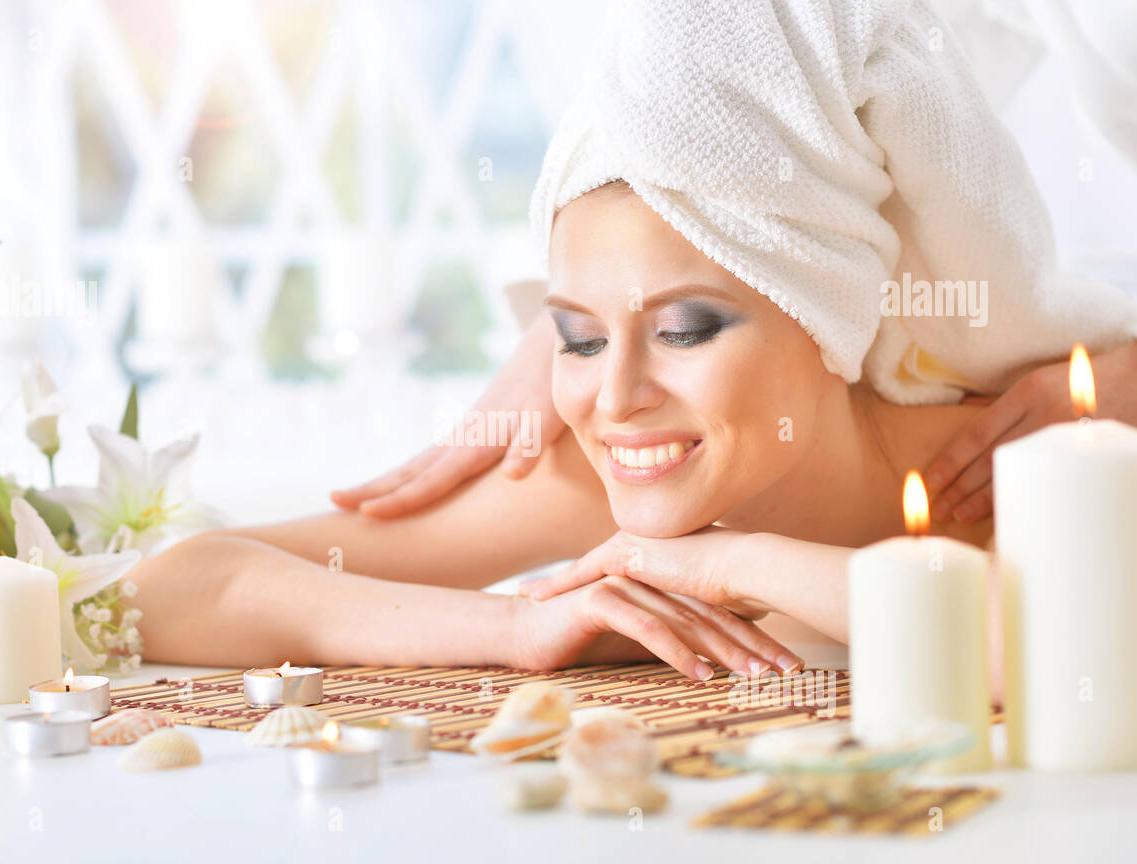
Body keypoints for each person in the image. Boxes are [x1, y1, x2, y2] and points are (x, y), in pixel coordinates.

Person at [130, 0, 1136, 679]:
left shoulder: (1011, 465)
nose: (614, 399)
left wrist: (736, 565)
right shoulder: (595, 480)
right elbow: (173, 587)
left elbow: (1063, 654)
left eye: (685, 329)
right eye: (573, 336)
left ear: (830, 316)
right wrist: (515, 627)